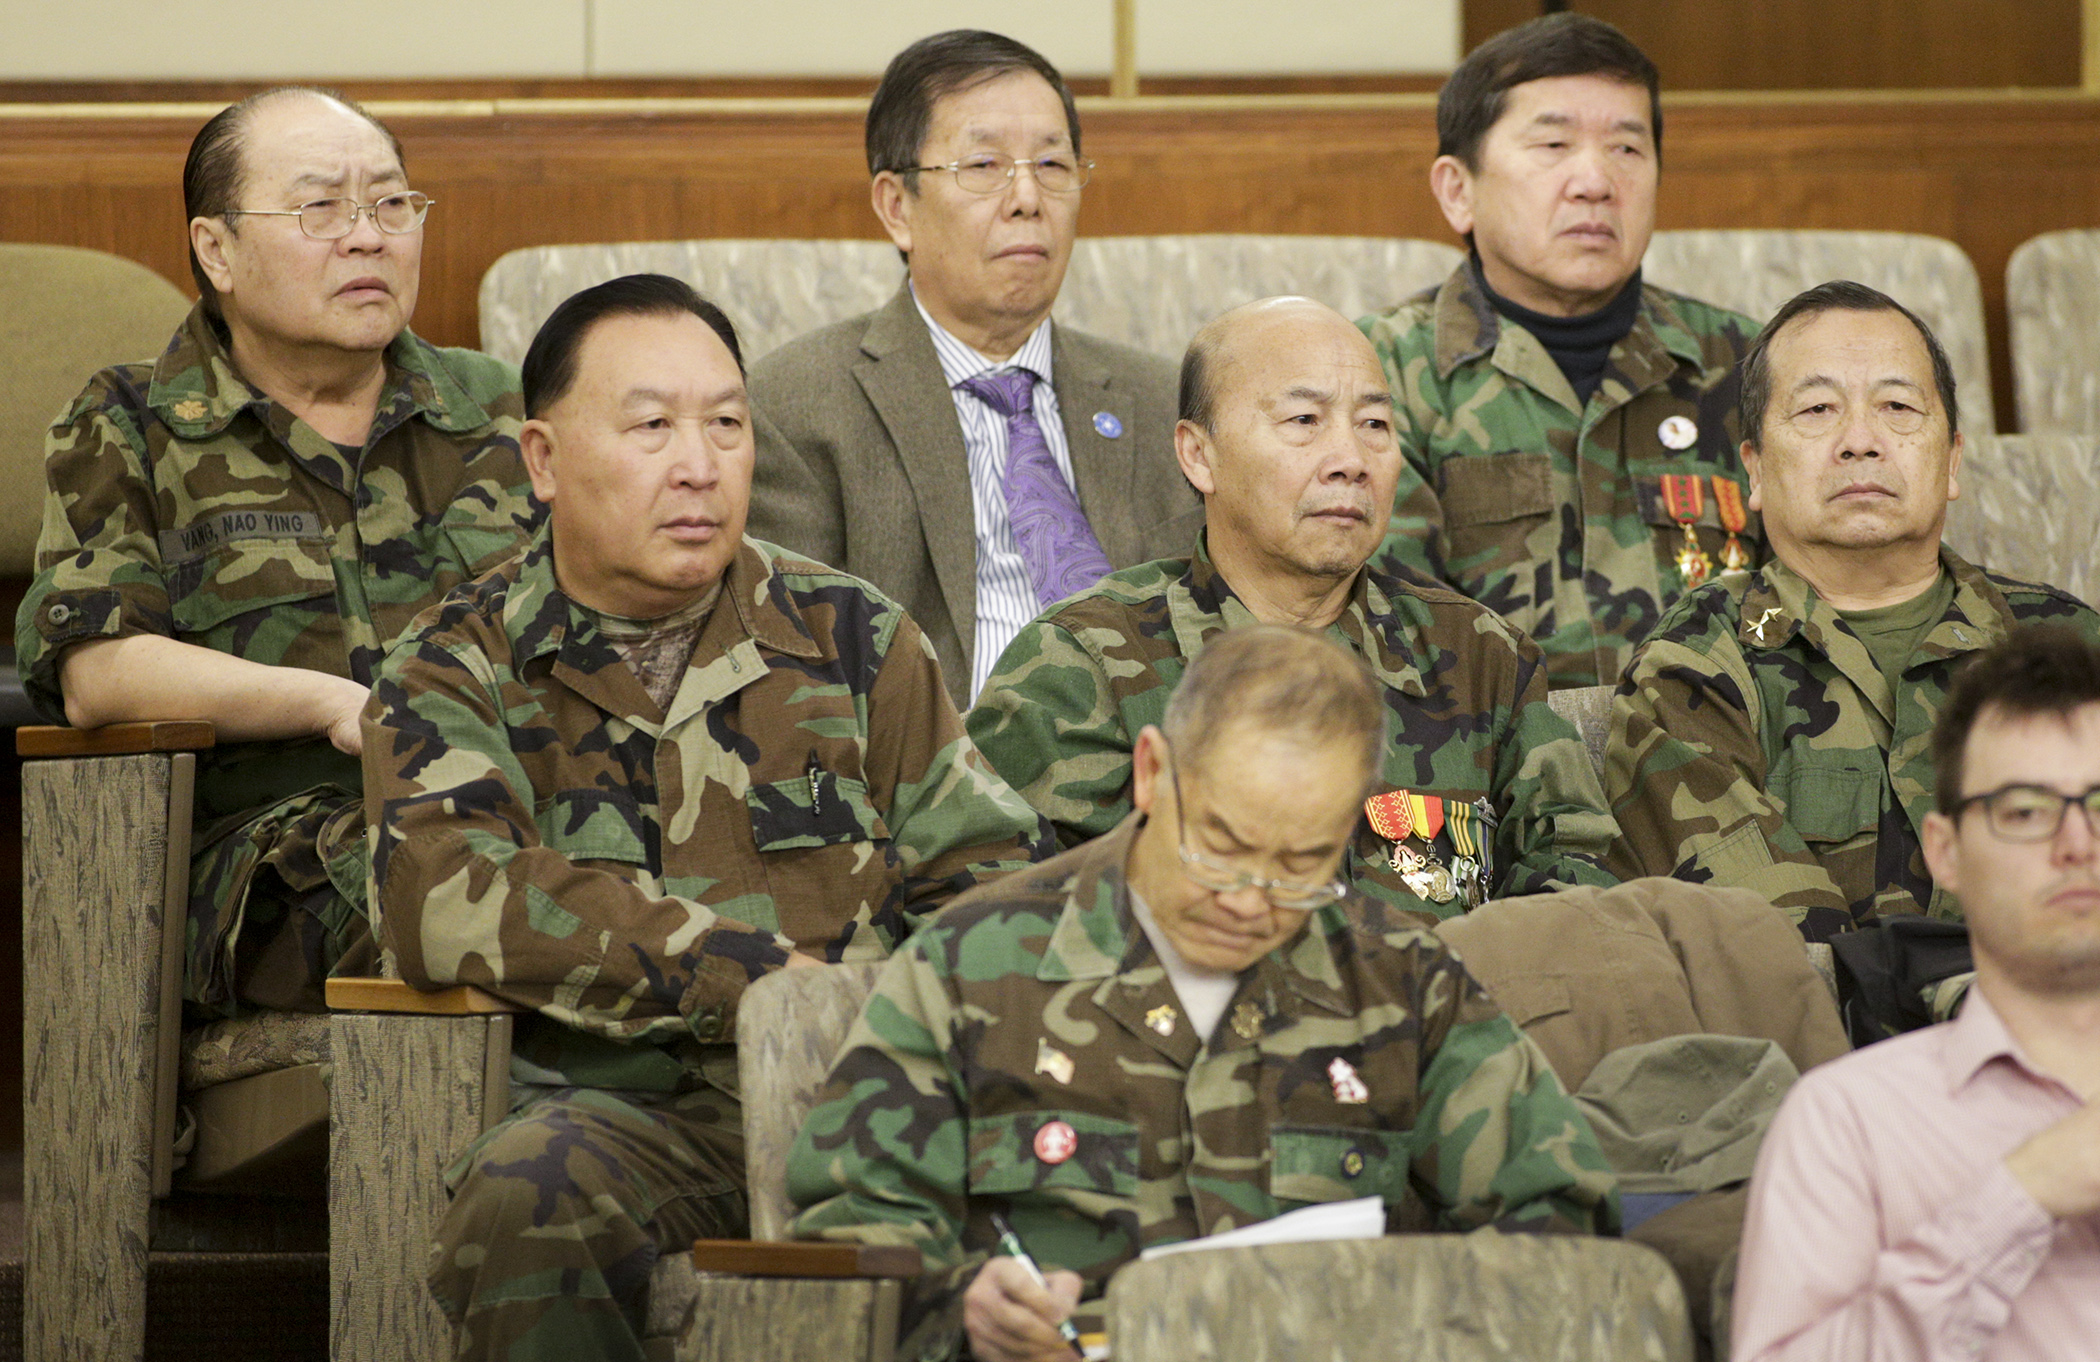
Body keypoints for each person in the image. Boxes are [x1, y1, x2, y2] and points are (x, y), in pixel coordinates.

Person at [361, 273, 1050, 1362]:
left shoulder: (850, 634)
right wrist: (748, 973)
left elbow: (987, 879)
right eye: (651, 427)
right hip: (643, 1119)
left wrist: (925, 1055)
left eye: (727, 424)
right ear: (542, 461)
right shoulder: (457, 666)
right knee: (525, 1191)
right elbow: (445, 895)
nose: (700, 465)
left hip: (870, 1093)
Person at [790, 625, 1618, 1362]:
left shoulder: (1400, 983)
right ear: (1152, 773)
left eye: (1302, 865)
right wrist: (963, 1309)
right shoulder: (974, 970)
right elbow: (852, 1243)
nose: (1251, 898)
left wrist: (1423, 1325)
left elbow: (1556, 1215)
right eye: (1221, 845)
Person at [13, 86, 536, 1015]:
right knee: (456, 897)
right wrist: (332, 703)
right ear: (217, 249)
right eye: (320, 208)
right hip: (284, 861)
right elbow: (97, 666)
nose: (368, 236)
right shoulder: (133, 425)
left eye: (390, 204)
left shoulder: (497, 406)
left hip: (520, 813)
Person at [969, 297, 1617, 922]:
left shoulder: (1477, 656)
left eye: (1375, 426)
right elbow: (1009, 934)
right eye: (1304, 422)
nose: (1351, 462)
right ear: (1199, 454)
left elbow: (1579, 901)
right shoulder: (1082, 665)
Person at [1606, 281, 2100, 942]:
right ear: (1751, 469)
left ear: (1952, 459)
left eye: (1897, 405)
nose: (1860, 441)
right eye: (1817, 409)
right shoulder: (1691, 667)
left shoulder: (2068, 642)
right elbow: (1774, 946)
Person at [747, 29, 1201, 708]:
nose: (1027, 199)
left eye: (1052, 165)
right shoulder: (797, 407)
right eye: (984, 166)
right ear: (897, 207)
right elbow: (799, 687)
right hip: (936, 787)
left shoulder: (1164, 398)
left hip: (1158, 776)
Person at [1357, 13, 1760, 689]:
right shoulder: (1378, 371)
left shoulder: (1748, 362)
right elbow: (1384, 632)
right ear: (1458, 191)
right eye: (1553, 145)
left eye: (1627, 149)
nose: (1596, 182)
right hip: (1490, 772)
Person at [1732, 624, 2100, 1361]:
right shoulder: (1846, 1125)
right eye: (2025, 811)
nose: (2077, 843)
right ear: (1946, 851)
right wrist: (2018, 1198)